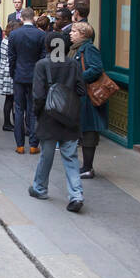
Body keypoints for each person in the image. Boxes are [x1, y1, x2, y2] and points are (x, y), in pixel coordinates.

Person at [30, 30, 87, 212]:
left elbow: (38, 96)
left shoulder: (42, 65)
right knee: (70, 157)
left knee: (46, 156)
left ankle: (40, 188)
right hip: (69, 117)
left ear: (47, 46)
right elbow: (81, 89)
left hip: (48, 117)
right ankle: (76, 195)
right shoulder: (73, 64)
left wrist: (36, 114)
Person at [8, 7, 47, 155]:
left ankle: (19, 145)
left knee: (18, 110)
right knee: (33, 110)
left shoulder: (14, 34)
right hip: (35, 77)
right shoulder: (40, 35)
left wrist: (13, 73)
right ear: (34, 17)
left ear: (21, 18)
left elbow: (11, 57)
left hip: (19, 75)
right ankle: (33, 144)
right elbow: (43, 57)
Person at [70, 22, 106, 179]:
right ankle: (85, 166)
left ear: (83, 34)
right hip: (81, 96)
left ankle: (87, 167)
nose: (71, 33)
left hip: (89, 97)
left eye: (74, 31)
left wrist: (77, 78)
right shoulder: (77, 48)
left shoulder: (88, 48)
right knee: (83, 130)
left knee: (89, 131)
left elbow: (97, 68)